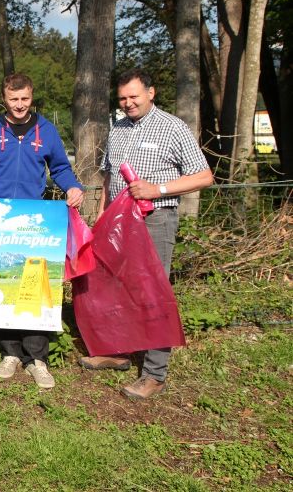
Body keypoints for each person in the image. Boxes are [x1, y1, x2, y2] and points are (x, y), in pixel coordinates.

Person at [78, 68, 213, 400]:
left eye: (134, 96)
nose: (128, 103)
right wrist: (105, 214)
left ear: (151, 93)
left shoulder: (172, 128)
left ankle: (155, 373)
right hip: (120, 222)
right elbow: (111, 176)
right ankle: (119, 352)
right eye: (122, 98)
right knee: (117, 286)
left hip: (156, 220)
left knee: (152, 291)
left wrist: (158, 189)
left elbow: (204, 176)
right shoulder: (119, 129)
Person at [0, 73, 83, 389]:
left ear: (31, 96)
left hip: (33, 221)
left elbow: (61, 168)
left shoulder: (47, 131)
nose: (20, 105)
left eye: (25, 98)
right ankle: (10, 352)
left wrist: (73, 187)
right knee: (8, 282)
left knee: (35, 283)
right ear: (4, 99)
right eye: (14, 99)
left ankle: (37, 357)